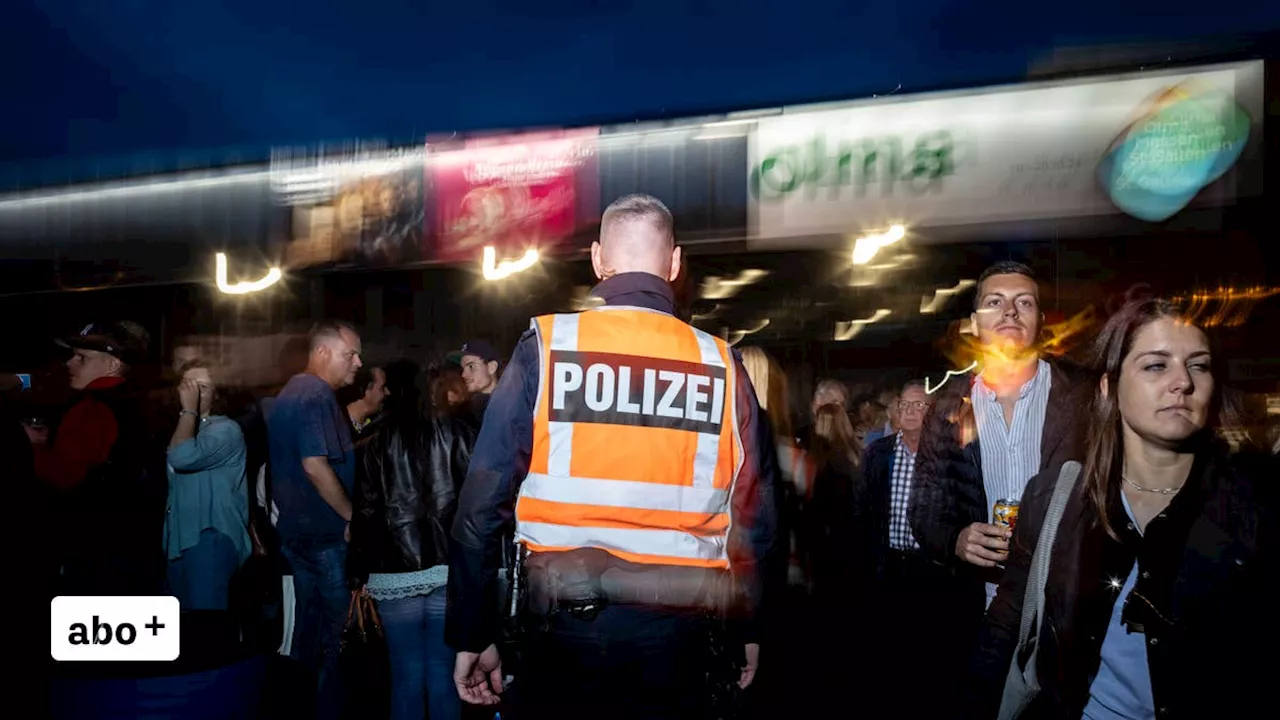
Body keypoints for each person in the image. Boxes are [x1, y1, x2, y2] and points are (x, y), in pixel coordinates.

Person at [446, 194, 780, 718]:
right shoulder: (722, 365)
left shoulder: (547, 349)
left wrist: (470, 628)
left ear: (599, 259)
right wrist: (750, 626)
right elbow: (754, 516)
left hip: (563, 633)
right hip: (682, 637)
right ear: (674, 264)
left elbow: (480, 505)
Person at [970, 298, 1277, 719]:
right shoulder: (1054, 498)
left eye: (1199, 365)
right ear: (1108, 387)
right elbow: (1005, 624)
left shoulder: (1256, 504)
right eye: (1156, 365)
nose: (1182, 382)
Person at [349, 361, 476, 720]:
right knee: (443, 673)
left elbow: (367, 510)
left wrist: (357, 570)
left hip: (392, 570)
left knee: (404, 675)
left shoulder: (377, 439)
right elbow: (476, 508)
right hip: (448, 568)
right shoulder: (462, 434)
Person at [266, 320, 363, 720]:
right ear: (322, 352)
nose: (357, 363)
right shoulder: (314, 394)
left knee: (309, 635)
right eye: (349, 354)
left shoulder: (291, 391)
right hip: (325, 538)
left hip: (298, 534)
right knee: (337, 640)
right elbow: (314, 466)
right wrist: (352, 516)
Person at [163, 360, 252, 610]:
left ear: (217, 393)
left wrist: (188, 411)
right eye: (190, 385)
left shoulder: (226, 430)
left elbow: (182, 457)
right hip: (180, 541)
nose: (195, 393)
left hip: (209, 537)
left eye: (204, 386)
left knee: (205, 631)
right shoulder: (185, 429)